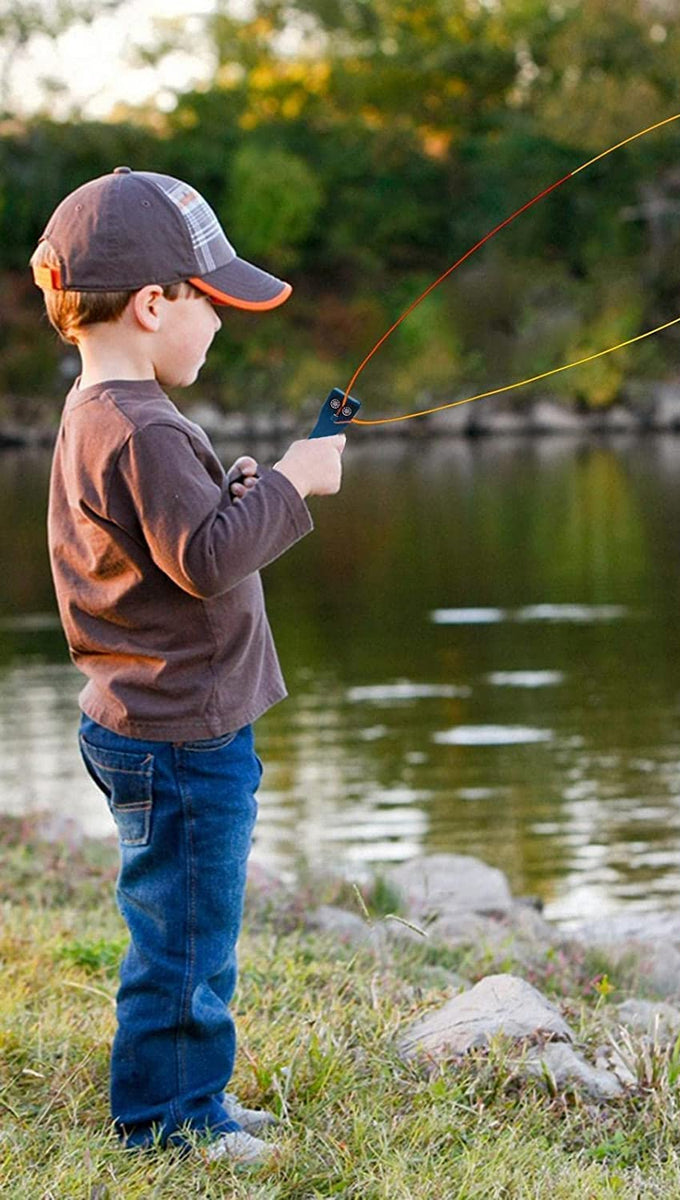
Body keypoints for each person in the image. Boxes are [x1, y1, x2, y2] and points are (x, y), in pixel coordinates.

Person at [31, 167, 345, 1165]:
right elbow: (207, 560)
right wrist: (295, 481)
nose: (219, 323)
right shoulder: (144, 424)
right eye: (210, 303)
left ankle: (189, 1095)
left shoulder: (98, 411)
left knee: (181, 921)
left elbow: (176, 538)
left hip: (143, 719)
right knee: (188, 937)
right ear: (154, 302)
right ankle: (173, 1125)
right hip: (183, 736)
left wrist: (241, 485)